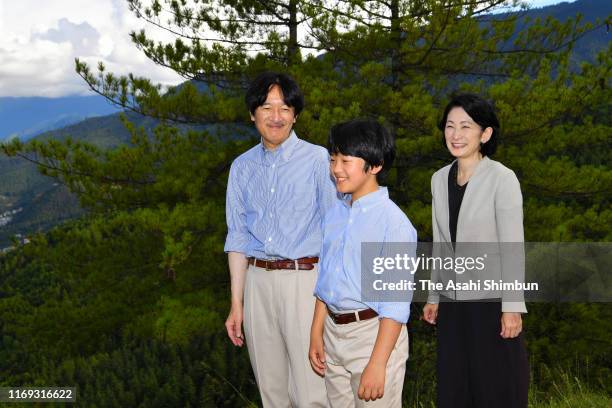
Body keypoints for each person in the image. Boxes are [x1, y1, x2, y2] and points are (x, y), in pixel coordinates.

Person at [224, 72, 337, 407]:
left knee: (311, 390)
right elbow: (238, 237)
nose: (276, 116)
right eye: (266, 107)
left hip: (306, 281)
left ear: (295, 114)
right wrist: (237, 302)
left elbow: (335, 232)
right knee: (271, 390)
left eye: (284, 107)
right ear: (252, 114)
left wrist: (328, 298)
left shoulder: (319, 160)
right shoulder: (242, 167)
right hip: (257, 282)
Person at [422, 93, 529, 408]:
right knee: (456, 386)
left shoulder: (502, 179)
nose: (456, 135)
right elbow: (441, 243)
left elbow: (513, 247)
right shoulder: (439, 179)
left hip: (491, 303)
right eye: (450, 126)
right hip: (453, 303)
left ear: (485, 134)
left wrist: (512, 307)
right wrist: (433, 296)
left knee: (495, 386)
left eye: (466, 127)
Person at [309, 119, 417, 407]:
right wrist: (316, 332)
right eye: (333, 159)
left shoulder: (392, 224)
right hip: (333, 331)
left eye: (346, 160)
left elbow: (395, 304)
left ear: (375, 165)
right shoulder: (336, 214)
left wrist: (378, 364)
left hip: (373, 335)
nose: (336, 169)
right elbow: (327, 280)